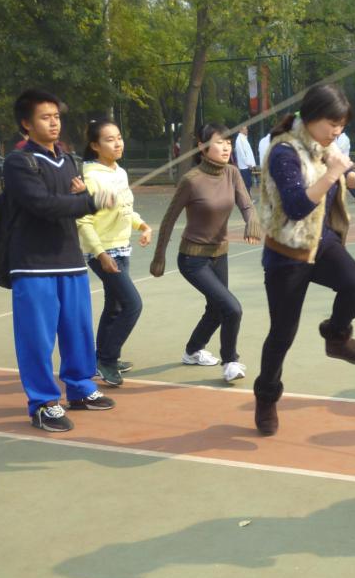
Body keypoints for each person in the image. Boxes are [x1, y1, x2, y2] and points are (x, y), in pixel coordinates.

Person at [253, 83, 355, 436]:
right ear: (311, 118)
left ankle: (336, 336)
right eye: (333, 123)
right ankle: (266, 396)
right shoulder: (283, 152)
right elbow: (296, 205)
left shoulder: (322, 144)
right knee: (282, 334)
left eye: (342, 125)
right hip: (287, 252)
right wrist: (334, 174)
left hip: (320, 243)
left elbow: (335, 172)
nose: (337, 131)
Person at [3, 89, 117, 432]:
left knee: (78, 330)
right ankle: (42, 403)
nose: (54, 123)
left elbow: (70, 204)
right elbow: (42, 205)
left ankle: (80, 389)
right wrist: (90, 201)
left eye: (56, 116)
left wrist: (86, 197)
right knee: (37, 339)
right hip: (33, 264)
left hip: (70, 260)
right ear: (26, 124)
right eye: (45, 117)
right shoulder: (19, 162)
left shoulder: (67, 160)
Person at [150, 123, 262, 385]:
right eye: (219, 142)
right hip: (193, 259)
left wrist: (252, 221)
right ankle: (230, 361)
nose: (226, 147)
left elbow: (246, 204)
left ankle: (192, 351)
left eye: (228, 142)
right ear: (202, 146)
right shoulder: (192, 180)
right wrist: (159, 256)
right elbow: (168, 220)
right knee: (232, 308)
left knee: (216, 309)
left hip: (219, 254)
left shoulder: (232, 173)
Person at [77, 118, 153, 387]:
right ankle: (107, 361)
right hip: (103, 251)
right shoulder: (90, 177)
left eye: (119, 137)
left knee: (115, 305)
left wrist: (142, 225)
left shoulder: (119, 172)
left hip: (121, 247)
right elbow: (83, 221)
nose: (118, 143)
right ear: (95, 146)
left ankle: (101, 357)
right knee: (133, 304)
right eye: (110, 140)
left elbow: (125, 209)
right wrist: (100, 254)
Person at [336, 131, 355, 202]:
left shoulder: (345, 138)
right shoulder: (334, 138)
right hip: (336, 163)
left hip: (344, 163)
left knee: (347, 180)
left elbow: (338, 149)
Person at [234, 123, 257, 190]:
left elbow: (248, 153)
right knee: (246, 185)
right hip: (244, 167)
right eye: (245, 129)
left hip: (247, 166)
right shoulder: (239, 140)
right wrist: (248, 163)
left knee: (248, 184)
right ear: (240, 130)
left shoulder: (244, 139)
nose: (247, 130)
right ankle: (247, 197)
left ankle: (248, 196)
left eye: (246, 129)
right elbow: (242, 154)